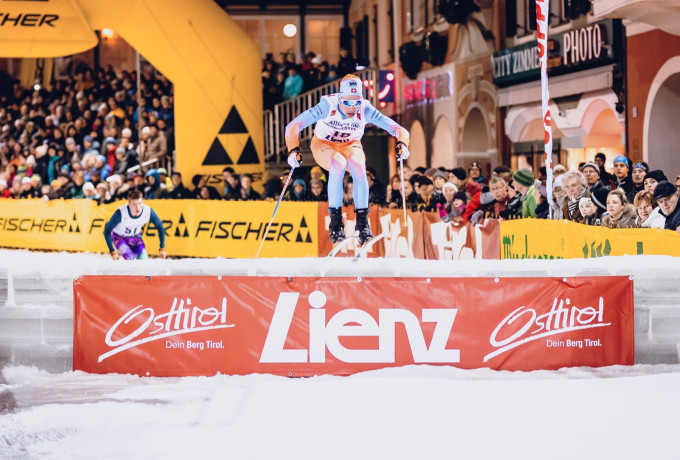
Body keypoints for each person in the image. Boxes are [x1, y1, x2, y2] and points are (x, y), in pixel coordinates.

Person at [284, 74, 410, 245]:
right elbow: (293, 125)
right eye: (348, 102)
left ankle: (362, 223)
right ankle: (336, 223)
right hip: (324, 144)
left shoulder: (365, 109)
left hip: (350, 145)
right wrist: (293, 149)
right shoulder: (327, 106)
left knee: (359, 166)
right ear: (340, 98)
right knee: (338, 163)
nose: (352, 108)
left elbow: (398, 129)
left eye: (356, 102)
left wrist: (402, 144)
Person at [103, 190, 167, 260]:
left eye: (139, 203)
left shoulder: (148, 211)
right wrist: (112, 251)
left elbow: (160, 227)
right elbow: (107, 231)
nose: (137, 208)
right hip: (119, 238)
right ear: (129, 204)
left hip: (135, 237)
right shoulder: (120, 213)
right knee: (130, 258)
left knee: (144, 259)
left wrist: (162, 248)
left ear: (142, 201)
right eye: (134, 204)